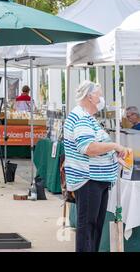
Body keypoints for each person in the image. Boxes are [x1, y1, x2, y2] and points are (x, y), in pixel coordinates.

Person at [64, 80, 128, 252]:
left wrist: (113, 156)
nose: (101, 99)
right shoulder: (81, 118)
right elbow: (89, 148)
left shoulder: (87, 118)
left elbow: (97, 145)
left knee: (94, 227)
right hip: (88, 180)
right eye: (99, 95)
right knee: (88, 227)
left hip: (96, 179)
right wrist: (115, 146)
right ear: (90, 97)